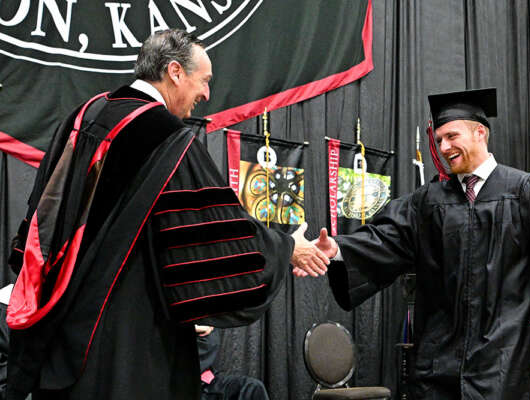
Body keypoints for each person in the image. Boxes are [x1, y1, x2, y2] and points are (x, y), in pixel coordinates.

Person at [5, 29, 328, 400]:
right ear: (175, 72)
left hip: (60, 338)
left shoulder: (85, 114)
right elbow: (215, 236)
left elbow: (41, 218)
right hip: (129, 346)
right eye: (203, 80)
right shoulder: (168, 139)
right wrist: (286, 248)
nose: (206, 94)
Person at [293, 88, 530, 400]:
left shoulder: (524, 191)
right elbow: (385, 239)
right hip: (437, 363)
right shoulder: (429, 202)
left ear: (480, 133)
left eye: (452, 136)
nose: (443, 147)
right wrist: (339, 249)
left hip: (500, 362)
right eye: (439, 140)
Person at [195, 325, 269, 400]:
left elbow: (209, 341)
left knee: (252, 387)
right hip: (188, 386)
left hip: (208, 381)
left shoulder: (207, 324)